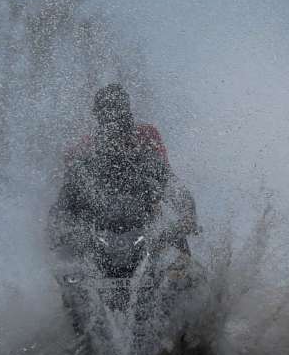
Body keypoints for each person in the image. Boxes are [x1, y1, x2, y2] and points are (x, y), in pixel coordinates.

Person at [52, 84, 195, 252]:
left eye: (119, 112)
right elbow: (69, 186)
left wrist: (187, 215)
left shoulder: (146, 137)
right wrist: (61, 228)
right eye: (107, 114)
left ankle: (182, 264)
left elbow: (168, 179)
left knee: (169, 233)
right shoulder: (86, 148)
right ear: (100, 119)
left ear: (127, 113)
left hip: (145, 212)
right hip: (102, 219)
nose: (114, 123)